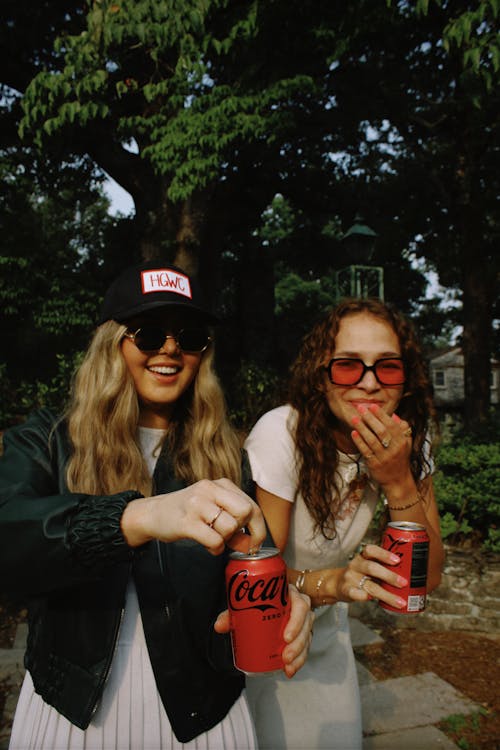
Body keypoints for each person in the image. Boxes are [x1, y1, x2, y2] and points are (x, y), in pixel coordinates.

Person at [0, 261, 313, 750]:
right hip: (75, 717)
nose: (170, 349)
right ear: (111, 344)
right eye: (148, 334)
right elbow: (9, 544)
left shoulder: (227, 455)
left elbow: (253, 565)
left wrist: (286, 603)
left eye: (188, 337)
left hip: (202, 718)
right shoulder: (46, 440)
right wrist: (137, 516)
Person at [243, 297, 445, 750]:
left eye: (387, 367)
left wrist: (397, 480)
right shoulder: (282, 434)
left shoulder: (409, 438)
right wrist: (331, 584)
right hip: (268, 632)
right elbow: (254, 577)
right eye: (349, 366)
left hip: (329, 632)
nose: (370, 383)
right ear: (321, 375)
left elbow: (425, 577)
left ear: (406, 379)